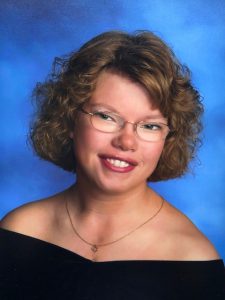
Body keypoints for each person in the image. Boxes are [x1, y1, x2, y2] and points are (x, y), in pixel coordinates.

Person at [0, 30, 224, 299]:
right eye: (106, 116)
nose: (126, 142)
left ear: (168, 138)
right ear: (70, 118)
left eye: (150, 125)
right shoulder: (19, 230)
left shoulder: (193, 261)